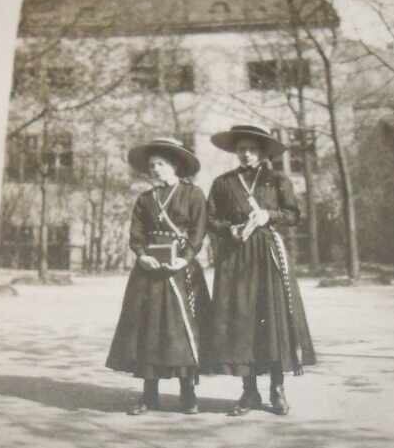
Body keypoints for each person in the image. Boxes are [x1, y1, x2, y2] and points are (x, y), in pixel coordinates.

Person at [205, 124, 317, 416]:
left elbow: (293, 214)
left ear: (262, 152)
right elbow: (210, 219)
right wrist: (230, 229)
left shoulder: (276, 180)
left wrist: (270, 214)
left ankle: (277, 389)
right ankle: (249, 391)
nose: (246, 154)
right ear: (236, 151)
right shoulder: (223, 183)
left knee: (272, 318)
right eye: (242, 149)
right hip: (236, 256)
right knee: (242, 320)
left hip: (268, 254)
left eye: (252, 149)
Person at [106, 137, 211, 415]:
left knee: (182, 330)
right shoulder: (145, 199)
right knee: (149, 330)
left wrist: (184, 258)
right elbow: (136, 235)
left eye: (161, 164)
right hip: (149, 272)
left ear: (175, 165)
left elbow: (199, 231)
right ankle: (149, 395)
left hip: (181, 270)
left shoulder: (193, 194)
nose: (155, 169)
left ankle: (188, 393)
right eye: (152, 165)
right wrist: (142, 255)